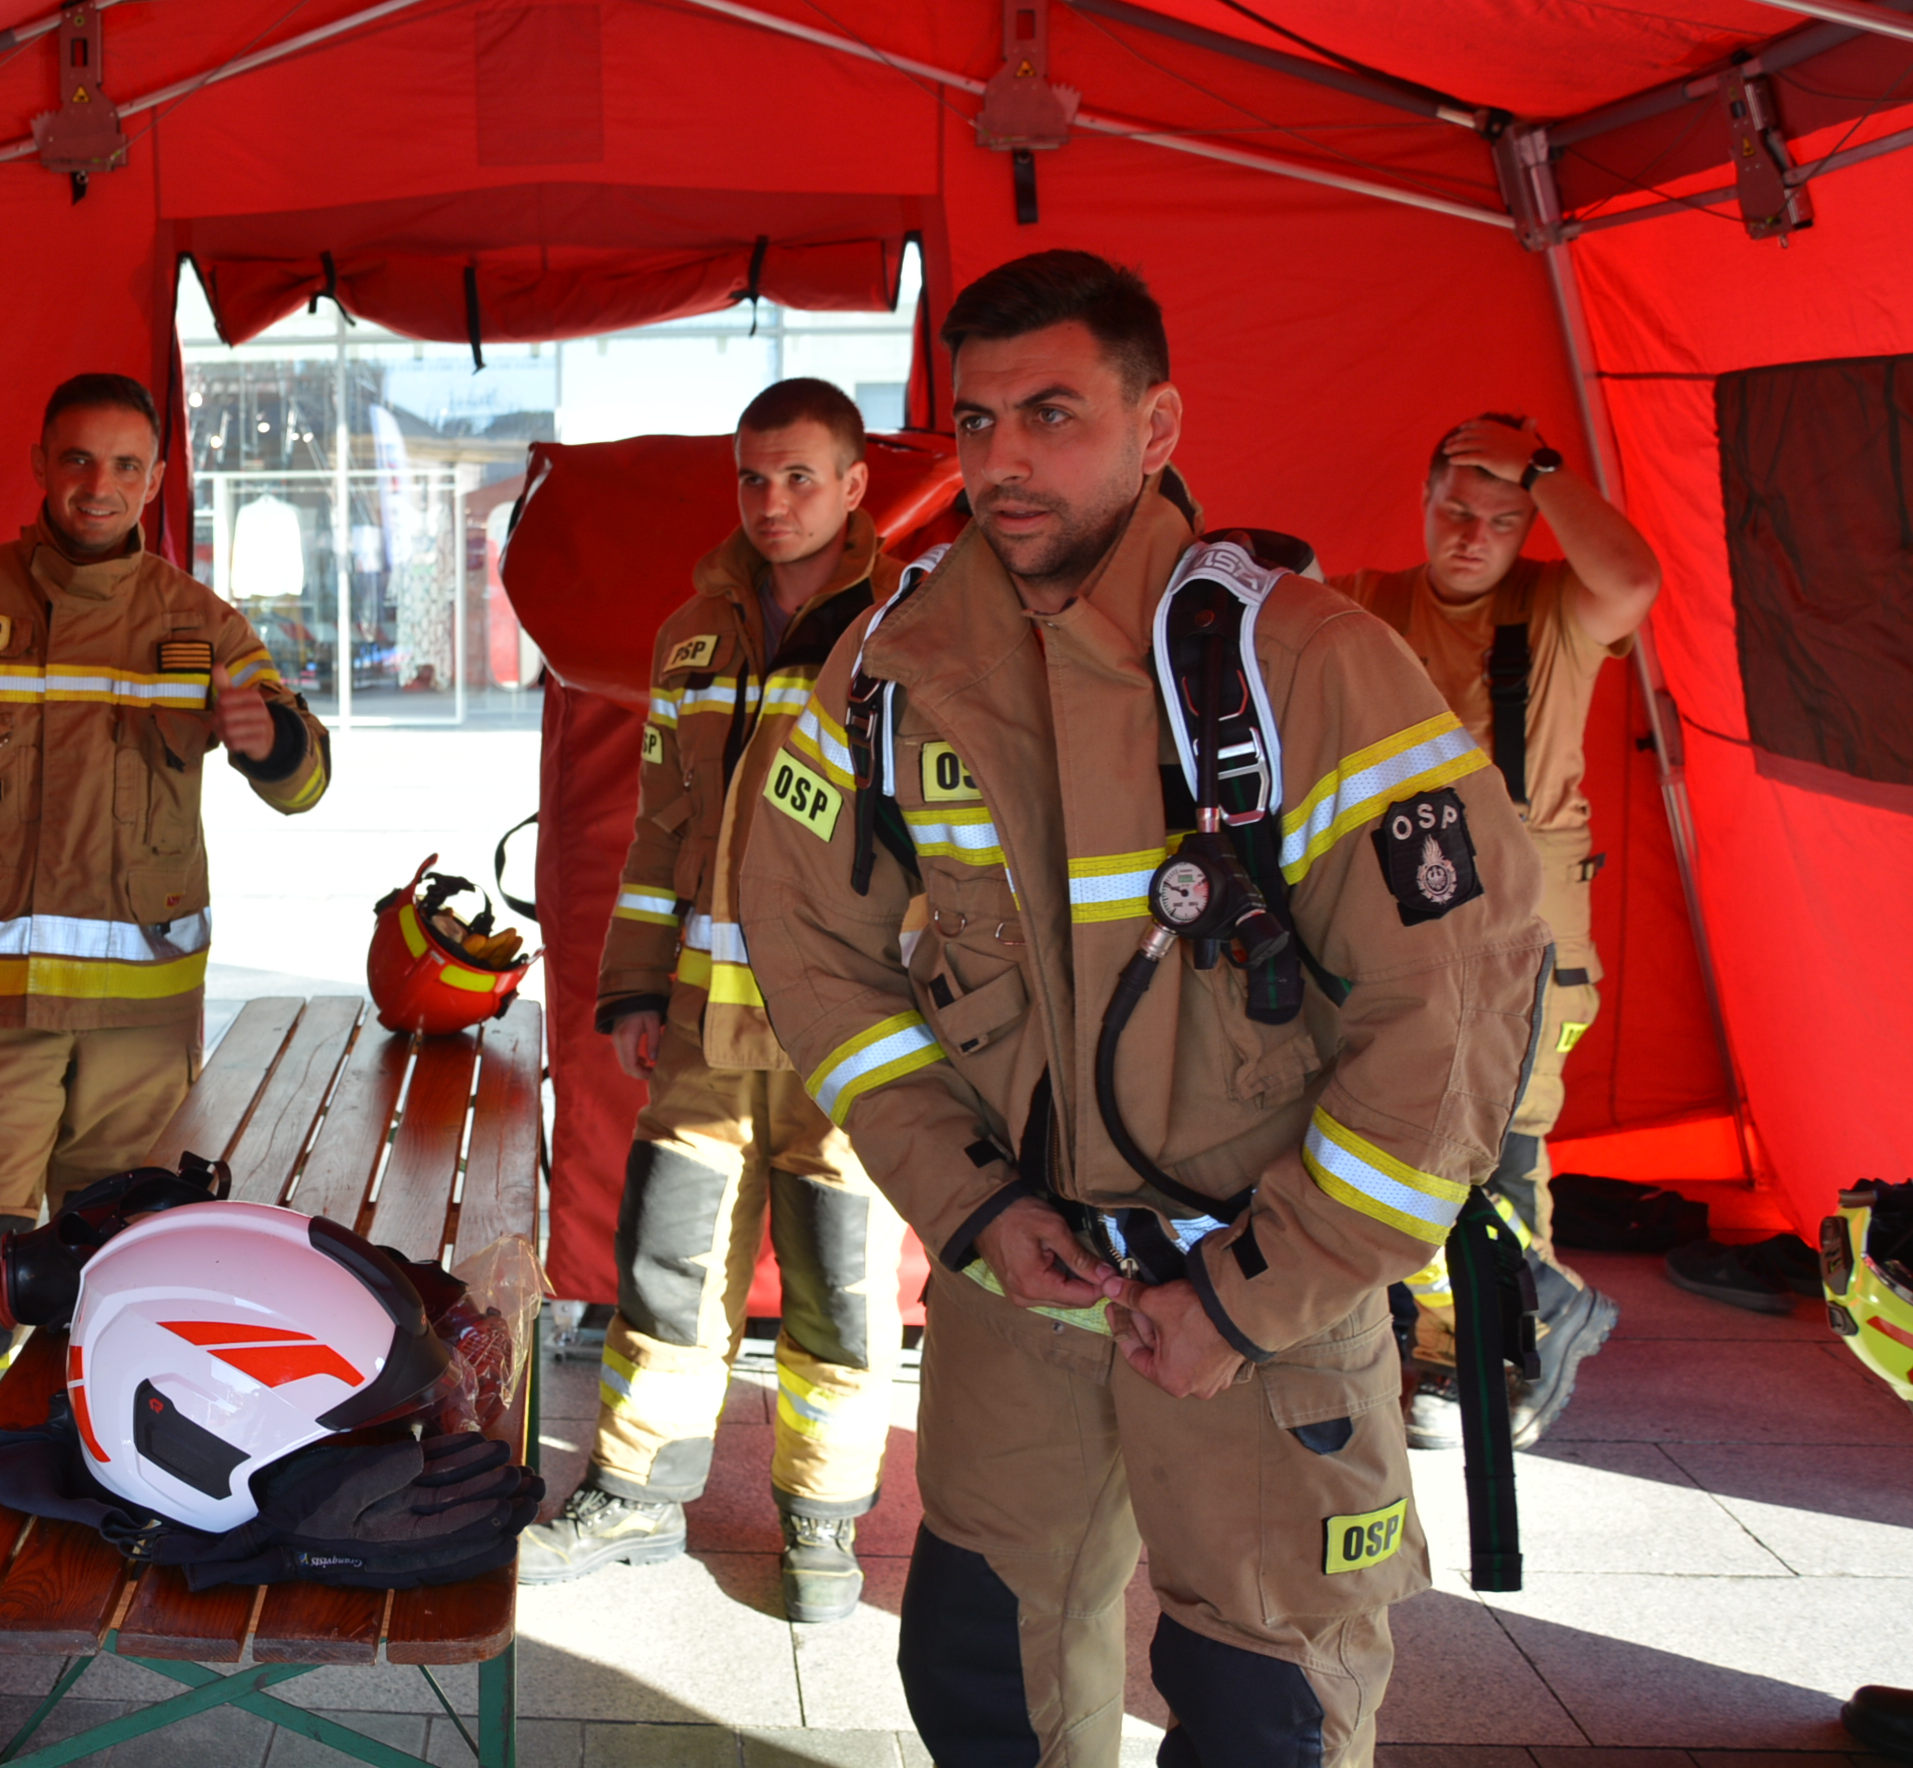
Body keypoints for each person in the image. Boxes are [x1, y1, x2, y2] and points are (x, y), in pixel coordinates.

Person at [742, 251, 1547, 1768]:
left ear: (1157, 424)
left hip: (1261, 1302)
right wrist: (974, 1207)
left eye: (1053, 414)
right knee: (978, 1671)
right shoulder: (886, 670)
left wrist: (1252, 1294)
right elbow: (808, 947)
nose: (1003, 460)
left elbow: (1451, 1012)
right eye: (977, 422)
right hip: (1020, 1280)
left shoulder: (1305, 667)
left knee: (1262, 1715)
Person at [0, 371, 331, 1553]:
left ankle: (94, 1536)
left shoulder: (201, 625)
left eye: (125, 464)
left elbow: (305, 782)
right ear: (41, 464)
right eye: (78, 459)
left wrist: (271, 741)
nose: (99, 485)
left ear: (157, 478)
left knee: (121, 1282)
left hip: (141, 1038)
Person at [515, 380, 910, 1622]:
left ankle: (822, 1521)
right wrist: (635, 984)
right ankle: (634, 1491)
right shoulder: (691, 633)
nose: (772, 500)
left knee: (839, 1282)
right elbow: (659, 826)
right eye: (753, 476)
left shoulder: (907, 631)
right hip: (698, 1027)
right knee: (668, 1267)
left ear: (855, 485)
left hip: (844, 1034)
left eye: (800, 476)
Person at [1331, 413, 1659, 1447]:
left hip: (1525, 912)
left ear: (1532, 525)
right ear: (1425, 499)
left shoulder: (1557, 607)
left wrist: (1543, 468)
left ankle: (1511, 1336)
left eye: (1503, 520)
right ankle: (1436, 1330)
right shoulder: (1366, 602)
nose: (1472, 536)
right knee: (1390, 1118)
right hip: (1395, 904)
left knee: (1503, 1131)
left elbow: (1634, 578)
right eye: (1457, 510)